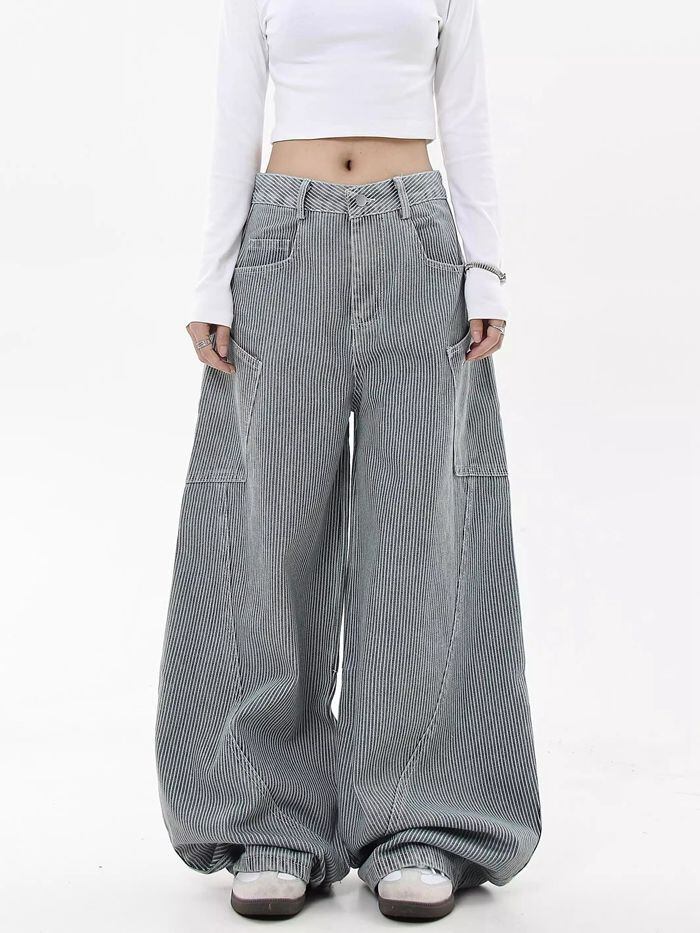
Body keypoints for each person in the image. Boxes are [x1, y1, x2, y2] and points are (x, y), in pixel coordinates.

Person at [155, 0, 541, 922]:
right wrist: (212, 275)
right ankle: (272, 817)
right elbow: (235, 116)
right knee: (269, 530)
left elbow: (467, 110)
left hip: (419, 243)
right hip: (283, 242)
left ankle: (418, 821)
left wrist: (485, 266)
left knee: (420, 535)